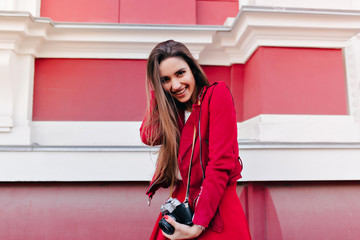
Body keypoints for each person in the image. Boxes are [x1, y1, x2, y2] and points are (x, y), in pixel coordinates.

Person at [140, 40, 251, 240]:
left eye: (180, 73)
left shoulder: (216, 95)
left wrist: (198, 225)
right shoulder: (174, 113)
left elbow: (220, 163)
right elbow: (148, 136)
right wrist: (159, 94)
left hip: (216, 211)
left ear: (192, 68)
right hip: (181, 208)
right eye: (166, 79)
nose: (176, 85)